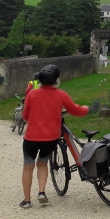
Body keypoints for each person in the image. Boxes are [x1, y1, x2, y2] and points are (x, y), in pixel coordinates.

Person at [21, 65, 89, 209]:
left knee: (28, 167)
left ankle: (27, 201)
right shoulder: (61, 95)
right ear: (56, 80)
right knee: (42, 163)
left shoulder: (32, 95)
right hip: (50, 138)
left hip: (31, 137)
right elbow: (75, 110)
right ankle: (41, 192)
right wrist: (86, 108)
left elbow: (25, 116)